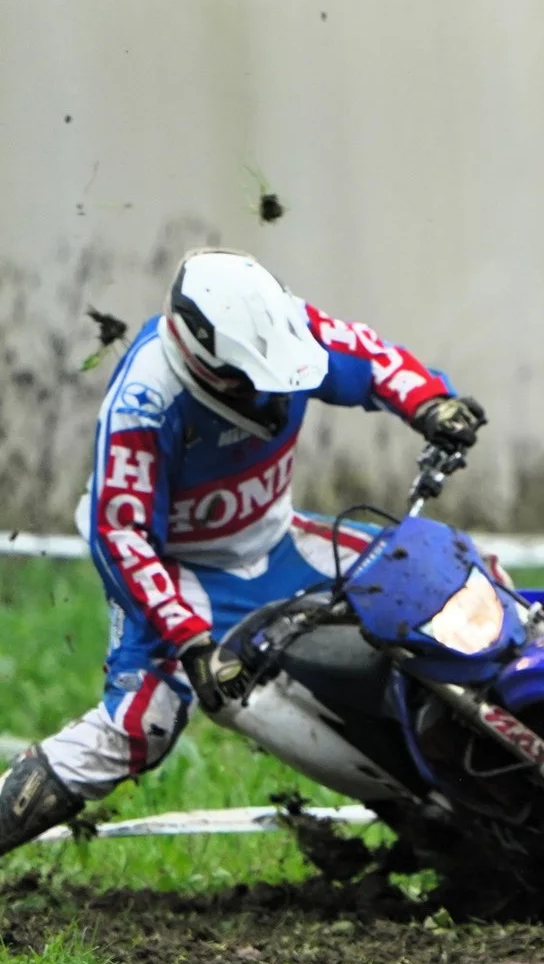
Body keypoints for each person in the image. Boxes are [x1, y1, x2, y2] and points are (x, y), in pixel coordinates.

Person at [0, 249, 496, 857]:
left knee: (454, 582)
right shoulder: (144, 403)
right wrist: (188, 638)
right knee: (139, 727)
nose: (271, 394)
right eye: (251, 380)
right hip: (181, 574)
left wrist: (429, 402)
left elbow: (367, 357)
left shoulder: (288, 331)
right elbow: (122, 536)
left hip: (276, 537)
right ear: (201, 360)